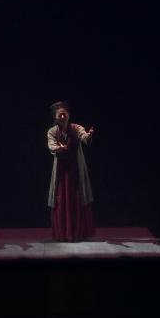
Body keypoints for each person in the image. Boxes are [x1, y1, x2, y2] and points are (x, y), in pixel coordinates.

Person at [46, 101, 96, 241]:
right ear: (55, 117)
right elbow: (51, 145)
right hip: (61, 172)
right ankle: (63, 234)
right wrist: (59, 148)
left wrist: (88, 135)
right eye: (60, 115)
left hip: (75, 170)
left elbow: (84, 136)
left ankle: (78, 233)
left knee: (77, 199)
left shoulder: (75, 128)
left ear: (68, 115)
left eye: (65, 114)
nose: (63, 117)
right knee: (62, 200)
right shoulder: (52, 131)